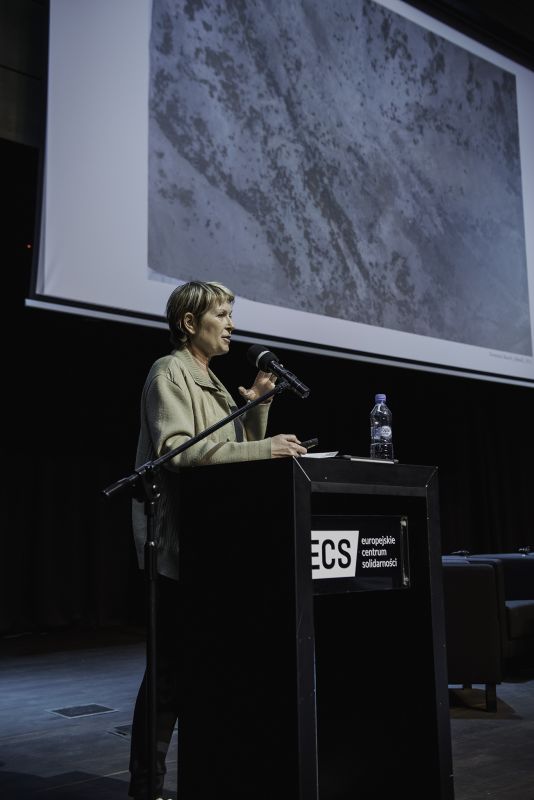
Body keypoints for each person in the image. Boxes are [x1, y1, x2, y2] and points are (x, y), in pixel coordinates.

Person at [128, 280, 306, 799]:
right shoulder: (169, 373)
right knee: (168, 677)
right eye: (222, 314)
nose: (231, 324)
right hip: (178, 549)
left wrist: (259, 407)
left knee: (203, 670)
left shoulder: (215, 382)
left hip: (215, 551)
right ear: (189, 323)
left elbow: (235, 459)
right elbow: (181, 453)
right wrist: (266, 448)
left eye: (231, 314)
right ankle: (146, 787)